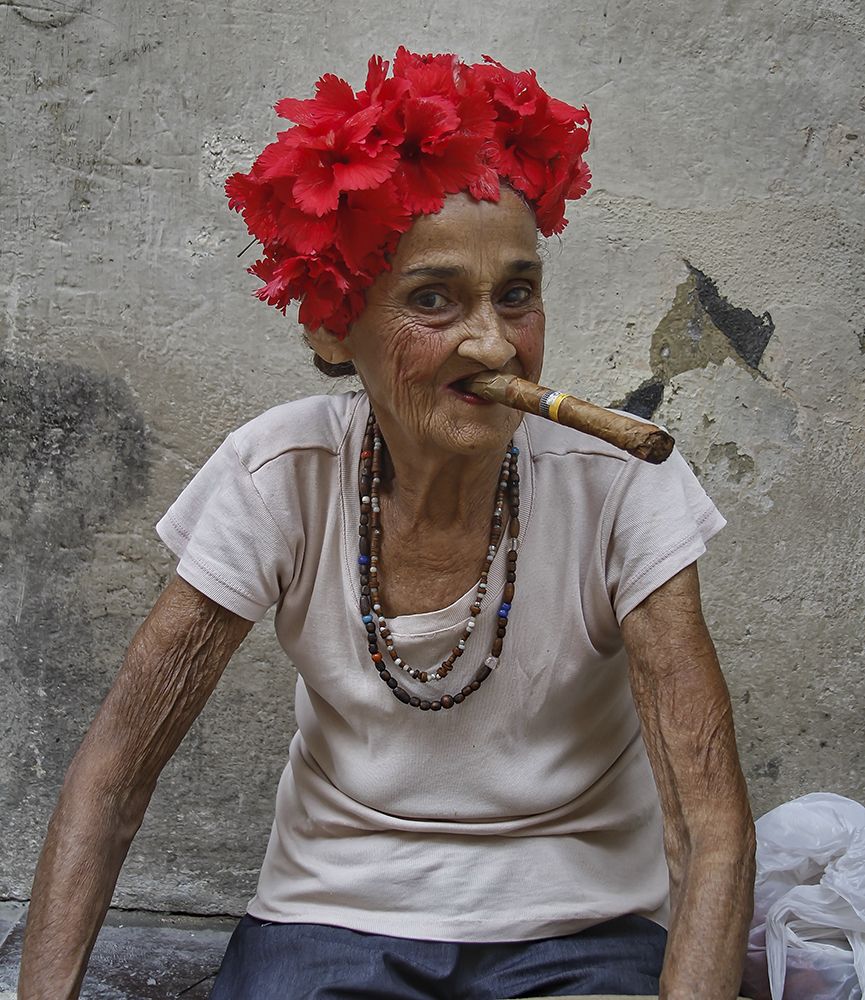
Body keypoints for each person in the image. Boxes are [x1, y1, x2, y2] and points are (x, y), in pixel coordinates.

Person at [19, 49, 755, 999]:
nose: (492, 342)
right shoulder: (278, 475)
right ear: (334, 329)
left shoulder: (623, 479)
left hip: (581, 922)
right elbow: (112, 777)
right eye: (433, 300)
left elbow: (708, 822)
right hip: (333, 917)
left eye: (517, 294)